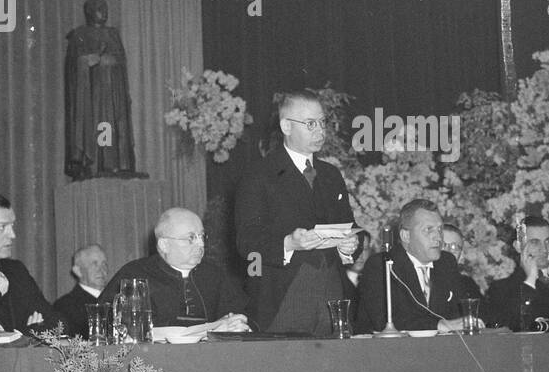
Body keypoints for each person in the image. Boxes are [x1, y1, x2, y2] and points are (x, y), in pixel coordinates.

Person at [235, 90, 361, 336]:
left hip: (332, 296)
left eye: (323, 122)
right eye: (310, 124)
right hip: (283, 295)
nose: (320, 131)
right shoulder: (259, 175)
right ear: (286, 126)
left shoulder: (330, 175)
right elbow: (246, 242)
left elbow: (351, 228)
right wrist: (288, 243)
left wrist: (349, 247)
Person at [101, 208, 250, 331]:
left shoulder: (214, 275)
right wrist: (212, 328)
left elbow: (242, 315)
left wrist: (237, 324)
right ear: (164, 245)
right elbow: (111, 325)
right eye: (191, 238)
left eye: (202, 236)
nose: (200, 244)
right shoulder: (134, 274)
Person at [355, 200, 471, 333]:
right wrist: (439, 325)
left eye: (440, 229)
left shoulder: (447, 262)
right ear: (406, 235)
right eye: (428, 230)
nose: (438, 238)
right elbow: (385, 320)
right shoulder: (382, 264)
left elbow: (459, 312)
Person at [64, 0, 136, 179]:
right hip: (92, 94)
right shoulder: (79, 34)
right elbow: (74, 64)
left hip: (113, 93)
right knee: (97, 127)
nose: (103, 12)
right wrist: (87, 61)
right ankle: (95, 164)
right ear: (88, 12)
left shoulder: (112, 33)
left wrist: (105, 60)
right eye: (98, 8)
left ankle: (116, 164)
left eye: (105, 8)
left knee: (114, 126)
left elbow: (120, 59)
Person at [0, 193, 64, 336]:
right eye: (2, 227)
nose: (12, 235)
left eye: (12, 226)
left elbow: (57, 323)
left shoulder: (16, 271)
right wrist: (29, 330)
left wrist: (29, 331)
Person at [482, 216, 549, 330]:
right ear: (518, 247)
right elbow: (515, 325)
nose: (545, 249)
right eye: (535, 242)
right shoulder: (502, 289)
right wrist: (530, 280)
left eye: (548, 241)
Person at [53, 244, 110, 337]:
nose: (101, 270)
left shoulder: (116, 300)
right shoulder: (65, 306)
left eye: (104, 264)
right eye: (94, 264)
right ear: (78, 271)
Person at [441, 222, 483, 304]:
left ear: (461, 256)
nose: (447, 251)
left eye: (454, 247)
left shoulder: (467, 286)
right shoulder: (418, 281)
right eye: (442, 245)